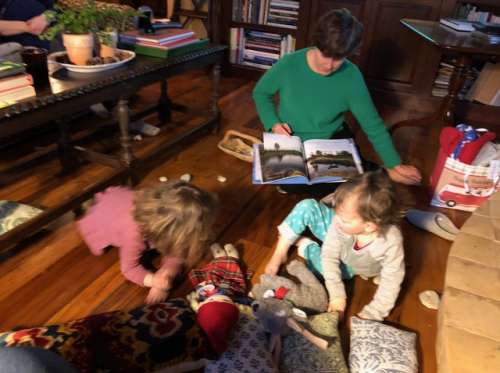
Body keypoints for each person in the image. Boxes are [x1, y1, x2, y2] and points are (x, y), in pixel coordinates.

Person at [252, 8, 421, 186]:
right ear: (316, 43)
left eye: (339, 58)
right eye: (325, 54)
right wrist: (274, 124)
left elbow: (372, 124)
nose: (329, 65)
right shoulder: (289, 63)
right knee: (290, 183)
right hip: (290, 140)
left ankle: (375, 171)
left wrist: (394, 164)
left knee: (342, 184)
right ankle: (369, 171)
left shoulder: (352, 75)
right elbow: (261, 93)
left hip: (332, 139)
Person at [265, 169, 405, 321]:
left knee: (323, 270)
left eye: (344, 219)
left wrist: (374, 312)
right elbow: (330, 253)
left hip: (355, 264)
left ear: (369, 226)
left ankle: (308, 247)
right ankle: (281, 251)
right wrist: (337, 294)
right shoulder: (340, 222)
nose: (336, 220)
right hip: (342, 239)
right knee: (307, 206)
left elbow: (391, 281)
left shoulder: (389, 242)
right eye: (336, 213)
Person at [77, 181, 218, 304]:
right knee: (99, 252)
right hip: (100, 218)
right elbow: (129, 269)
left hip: (119, 201)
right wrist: (153, 281)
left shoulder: (159, 209)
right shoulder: (133, 234)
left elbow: (177, 250)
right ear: (168, 234)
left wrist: (167, 272)